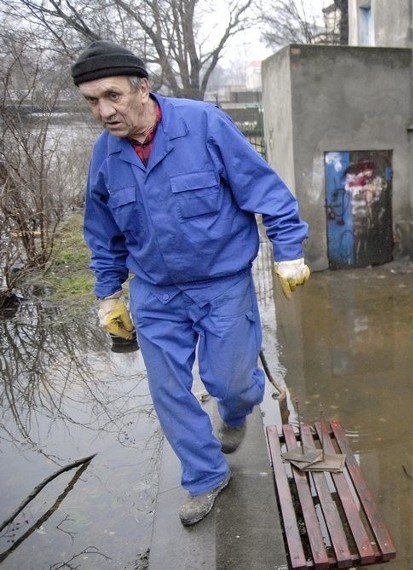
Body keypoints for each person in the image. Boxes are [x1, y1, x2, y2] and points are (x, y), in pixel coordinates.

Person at [71, 40, 311, 526]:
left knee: (231, 383)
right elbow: (102, 232)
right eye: (92, 101)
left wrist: (289, 254)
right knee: (169, 390)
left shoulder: (203, 126)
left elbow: (268, 192)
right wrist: (108, 293)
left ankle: (238, 410)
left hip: (221, 284)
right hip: (155, 292)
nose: (104, 111)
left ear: (143, 88)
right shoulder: (106, 155)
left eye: (113, 96)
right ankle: (205, 476)